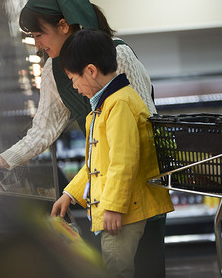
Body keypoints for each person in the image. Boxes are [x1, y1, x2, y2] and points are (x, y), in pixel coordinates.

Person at [0, 0, 166, 278]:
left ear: (63, 25)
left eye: (38, 33)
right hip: (107, 192)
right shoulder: (52, 71)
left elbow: (143, 131)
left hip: (140, 189)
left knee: (144, 267)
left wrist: (116, 202)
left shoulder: (117, 54)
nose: (36, 44)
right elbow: (42, 133)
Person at [50, 28, 174, 278]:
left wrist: (114, 207)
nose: (74, 86)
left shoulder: (118, 104)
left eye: (73, 78)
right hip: (120, 207)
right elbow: (97, 163)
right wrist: (70, 194)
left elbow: (123, 162)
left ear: (91, 71)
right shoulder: (107, 105)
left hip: (124, 210)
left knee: (116, 269)